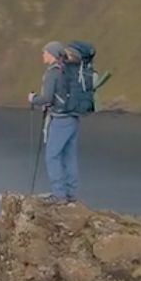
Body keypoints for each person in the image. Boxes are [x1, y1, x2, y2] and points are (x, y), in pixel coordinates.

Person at [28, 41, 82, 204]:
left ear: (52, 54)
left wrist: (33, 99)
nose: (43, 55)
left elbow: (47, 98)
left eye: (45, 52)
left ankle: (59, 195)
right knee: (69, 156)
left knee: (52, 156)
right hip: (73, 117)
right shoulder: (68, 70)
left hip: (60, 120)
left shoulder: (53, 73)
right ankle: (71, 193)